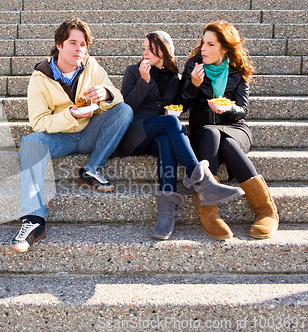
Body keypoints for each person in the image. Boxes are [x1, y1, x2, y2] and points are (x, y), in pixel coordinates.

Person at [9, 18, 133, 252]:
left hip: (90, 132)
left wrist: (106, 94)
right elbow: (38, 122)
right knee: (30, 143)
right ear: (59, 45)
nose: (79, 49)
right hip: (61, 137)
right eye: (73, 43)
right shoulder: (39, 78)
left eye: (83, 44)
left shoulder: (92, 67)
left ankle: (91, 170)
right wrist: (70, 116)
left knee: (124, 111)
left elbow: (118, 100)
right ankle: (33, 222)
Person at [116, 31, 245, 240]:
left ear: (164, 51)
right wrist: (144, 81)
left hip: (158, 135)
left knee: (167, 138)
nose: (145, 52)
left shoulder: (174, 79)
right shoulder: (133, 71)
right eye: (143, 48)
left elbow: (177, 107)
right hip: (133, 135)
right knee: (170, 123)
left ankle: (166, 213)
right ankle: (202, 180)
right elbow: (126, 109)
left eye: (150, 48)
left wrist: (176, 106)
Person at [179, 21, 279, 240]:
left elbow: (242, 110)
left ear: (224, 48)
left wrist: (229, 108)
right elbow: (182, 105)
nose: (203, 48)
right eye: (203, 43)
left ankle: (266, 210)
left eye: (210, 44)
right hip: (204, 131)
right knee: (211, 133)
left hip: (234, 128)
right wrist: (193, 85)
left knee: (226, 141)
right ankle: (209, 212)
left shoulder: (238, 71)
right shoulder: (192, 67)